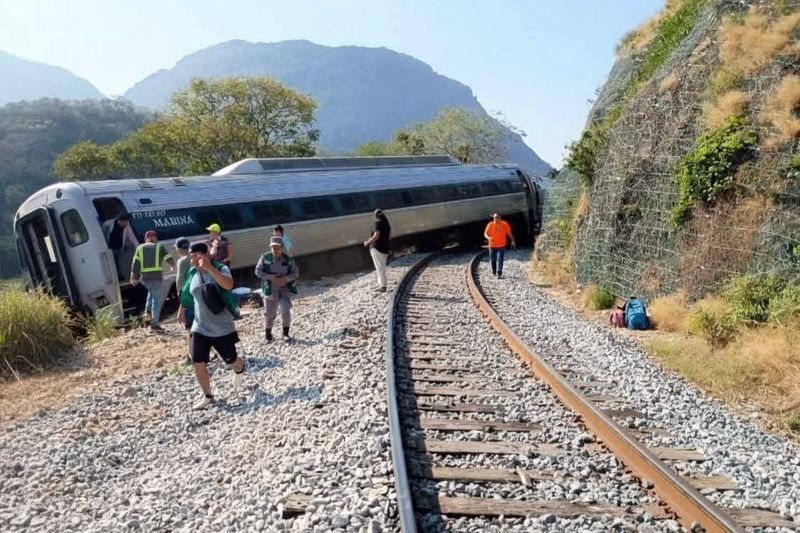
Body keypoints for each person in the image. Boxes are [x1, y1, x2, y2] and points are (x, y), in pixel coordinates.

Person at [179, 242, 245, 410]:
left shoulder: (220, 268)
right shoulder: (192, 272)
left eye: (195, 255)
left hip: (222, 327)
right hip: (199, 326)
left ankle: (240, 366)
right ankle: (208, 396)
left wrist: (210, 269)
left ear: (205, 254)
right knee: (197, 360)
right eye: (190, 256)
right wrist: (182, 309)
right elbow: (188, 293)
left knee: (231, 361)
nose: (192, 259)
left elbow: (228, 285)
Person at [255, 236, 299, 342]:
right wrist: (271, 277)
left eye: (277, 248)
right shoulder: (265, 257)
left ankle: (286, 333)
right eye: (273, 247)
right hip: (270, 289)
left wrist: (285, 279)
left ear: (282, 248)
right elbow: (258, 272)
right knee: (270, 313)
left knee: (285, 310)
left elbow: (295, 273)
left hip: (284, 290)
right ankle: (268, 335)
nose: (275, 250)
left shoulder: (288, 260)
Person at [130, 230, 175, 331]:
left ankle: (147, 317)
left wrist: (134, 277)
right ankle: (154, 323)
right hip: (156, 277)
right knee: (157, 301)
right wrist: (172, 265)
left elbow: (135, 263)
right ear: (155, 238)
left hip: (144, 279)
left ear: (146, 239)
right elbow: (168, 257)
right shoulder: (159, 247)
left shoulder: (139, 248)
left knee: (150, 296)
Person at [174, 238, 193, 363]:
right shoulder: (196, 258)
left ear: (179, 249)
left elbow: (181, 284)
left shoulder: (182, 262)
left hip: (189, 299)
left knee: (191, 328)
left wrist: (182, 305)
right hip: (200, 297)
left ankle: (192, 356)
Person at [102, 214, 138, 280]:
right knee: (112, 263)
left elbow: (131, 236)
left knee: (120, 264)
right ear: (119, 220)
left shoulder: (126, 226)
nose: (124, 225)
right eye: (123, 223)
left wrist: (137, 246)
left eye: (125, 223)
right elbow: (103, 228)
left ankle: (120, 276)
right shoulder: (110, 223)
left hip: (119, 248)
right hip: (111, 248)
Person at [363, 209, 391, 292]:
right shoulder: (387, 225)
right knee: (381, 267)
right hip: (385, 249)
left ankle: (383, 286)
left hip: (377, 248)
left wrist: (367, 242)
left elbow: (376, 236)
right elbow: (389, 237)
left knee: (379, 267)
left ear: (376, 216)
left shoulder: (377, 224)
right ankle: (380, 284)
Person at [483, 213, 516, 278]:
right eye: (495, 217)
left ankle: (499, 272)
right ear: (493, 218)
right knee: (493, 259)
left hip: (501, 245)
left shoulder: (504, 224)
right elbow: (485, 233)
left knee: (500, 259)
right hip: (492, 246)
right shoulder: (490, 224)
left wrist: (513, 241)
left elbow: (509, 233)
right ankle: (494, 271)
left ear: (500, 217)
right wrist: (488, 238)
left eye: (497, 217)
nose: (496, 219)